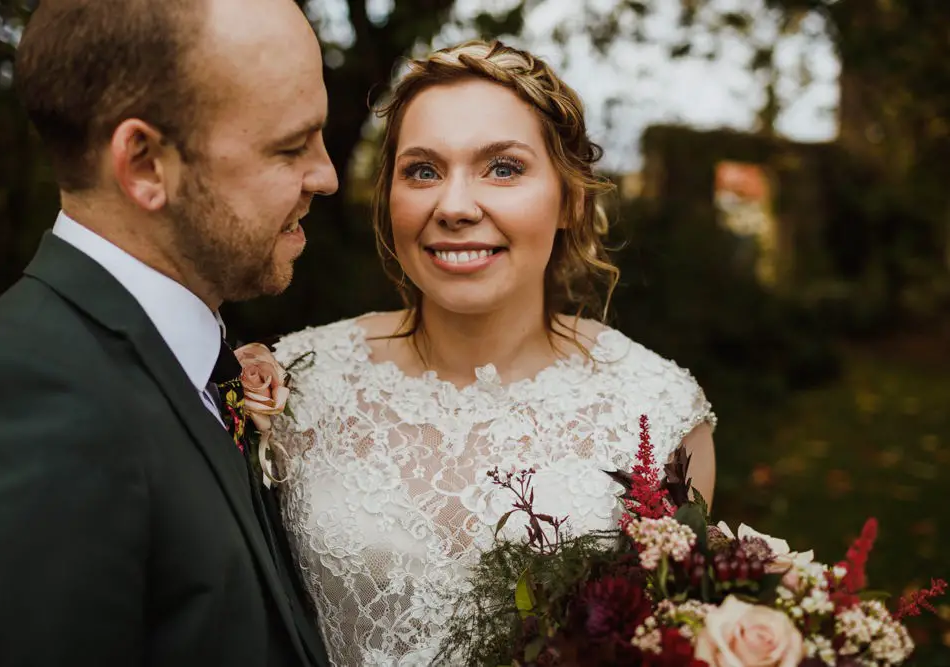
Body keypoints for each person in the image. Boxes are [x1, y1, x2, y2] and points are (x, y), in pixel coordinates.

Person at [267, 39, 717, 666]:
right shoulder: (291, 384)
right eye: (423, 170)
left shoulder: (661, 413)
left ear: (572, 198)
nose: (453, 207)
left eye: (502, 168)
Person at [0, 0, 337, 665]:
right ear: (146, 164)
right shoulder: (36, 405)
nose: (327, 175)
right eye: (291, 146)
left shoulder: (198, 364)